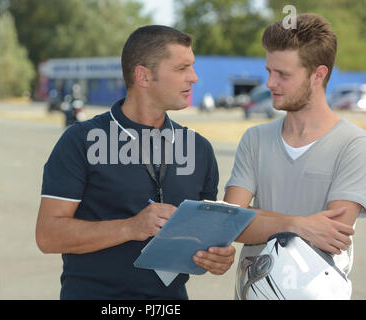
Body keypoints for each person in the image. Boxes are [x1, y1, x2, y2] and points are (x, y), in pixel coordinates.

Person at [36, 25, 236, 300]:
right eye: (182, 69)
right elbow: (48, 235)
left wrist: (216, 256)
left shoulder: (199, 148)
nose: (194, 78)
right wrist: (131, 227)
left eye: (192, 67)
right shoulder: (80, 141)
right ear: (143, 75)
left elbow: (200, 239)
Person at [196, 13, 366, 299]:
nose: (270, 83)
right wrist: (297, 225)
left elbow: (331, 236)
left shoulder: (354, 145)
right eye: (269, 71)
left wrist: (254, 219)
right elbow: (228, 223)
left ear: (318, 74)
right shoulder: (254, 139)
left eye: (283, 74)